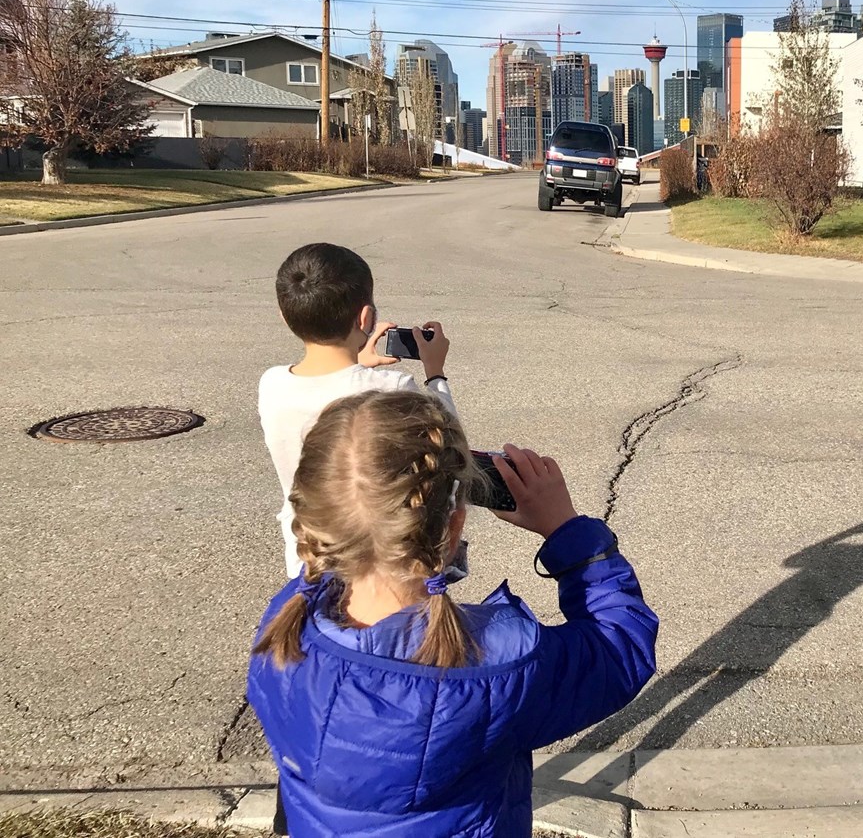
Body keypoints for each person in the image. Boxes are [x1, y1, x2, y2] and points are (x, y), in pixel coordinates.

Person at [248, 390, 658, 838]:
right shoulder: (498, 666)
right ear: (454, 526)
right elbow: (619, 649)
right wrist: (566, 529)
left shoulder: (284, 625)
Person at [259, 243, 455, 579]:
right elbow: (449, 442)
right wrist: (435, 372)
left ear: (283, 314)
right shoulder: (392, 388)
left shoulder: (272, 383)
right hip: (375, 562)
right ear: (365, 317)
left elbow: (331, 389)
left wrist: (357, 362)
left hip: (306, 556)